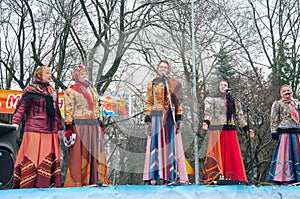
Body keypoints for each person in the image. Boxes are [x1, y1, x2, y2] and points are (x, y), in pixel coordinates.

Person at [11, 65, 63, 188]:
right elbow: (21, 107)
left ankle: (46, 184)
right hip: (34, 129)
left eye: (50, 73)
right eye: (47, 73)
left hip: (50, 130)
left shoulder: (53, 92)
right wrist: (15, 122)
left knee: (47, 158)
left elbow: (56, 112)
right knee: (32, 158)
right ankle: (27, 186)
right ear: (39, 75)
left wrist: (60, 128)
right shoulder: (30, 90)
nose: (50, 75)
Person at [63, 65, 110, 187]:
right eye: (82, 74)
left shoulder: (92, 90)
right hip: (79, 124)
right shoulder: (70, 90)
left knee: (94, 152)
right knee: (79, 153)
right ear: (76, 76)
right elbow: (68, 109)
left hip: (92, 124)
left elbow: (96, 107)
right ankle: (78, 181)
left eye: (86, 74)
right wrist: (68, 126)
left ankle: (94, 179)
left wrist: (100, 121)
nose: (85, 76)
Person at [143, 60, 189, 185]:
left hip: (169, 116)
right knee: (155, 144)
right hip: (156, 115)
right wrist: (148, 118)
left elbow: (178, 102)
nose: (163, 68)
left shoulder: (174, 84)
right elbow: (148, 101)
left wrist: (179, 118)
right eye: (161, 66)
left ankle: (169, 176)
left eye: (165, 67)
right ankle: (152, 176)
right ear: (157, 69)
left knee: (169, 145)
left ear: (168, 70)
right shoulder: (152, 84)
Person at [202, 78, 252, 183]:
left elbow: (240, 115)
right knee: (217, 153)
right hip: (217, 129)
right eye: (221, 85)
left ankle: (233, 176)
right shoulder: (211, 99)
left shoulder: (233, 100)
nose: (223, 87)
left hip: (230, 129)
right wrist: (206, 122)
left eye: (225, 85)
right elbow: (208, 112)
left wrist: (246, 128)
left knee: (231, 153)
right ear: (218, 87)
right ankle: (215, 176)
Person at [268, 84, 300, 184]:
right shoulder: (278, 104)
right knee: (285, 154)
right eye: (284, 91)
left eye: (288, 90)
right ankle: (284, 177)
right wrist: (274, 131)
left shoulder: (296, 103)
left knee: (297, 153)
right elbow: (274, 119)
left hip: (296, 131)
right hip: (284, 132)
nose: (287, 92)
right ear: (281, 93)